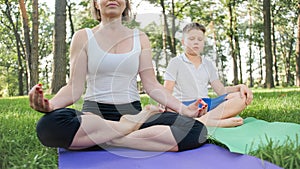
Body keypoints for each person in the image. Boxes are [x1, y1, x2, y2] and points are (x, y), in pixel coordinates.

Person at [29, 0, 207, 152]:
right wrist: (51, 105)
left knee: (196, 131)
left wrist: (184, 110)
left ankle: (106, 139)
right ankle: (127, 128)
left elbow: (152, 85)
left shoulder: (140, 37)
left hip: (131, 112)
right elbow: (74, 88)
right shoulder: (83, 36)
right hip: (95, 118)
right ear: (96, 3)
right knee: (47, 127)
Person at [164, 22, 253, 127]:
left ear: (203, 43)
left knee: (241, 97)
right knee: (169, 109)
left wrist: (240, 87)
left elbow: (221, 91)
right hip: (184, 106)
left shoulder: (208, 64)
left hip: (205, 105)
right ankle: (211, 121)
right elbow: (167, 91)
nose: (196, 42)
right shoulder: (176, 62)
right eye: (191, 39)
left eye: (200, 39)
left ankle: (203, 121)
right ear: (183, 42)